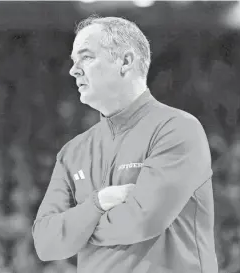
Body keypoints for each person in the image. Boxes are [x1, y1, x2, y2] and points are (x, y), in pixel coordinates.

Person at [32, 15, 218, 273]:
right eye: (73, 61)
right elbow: (45, 243)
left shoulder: (177, 129)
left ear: (125, 61)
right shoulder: (72, 152)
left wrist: (77, 231)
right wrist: (97, 203)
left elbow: (142, 221)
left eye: (86, 57)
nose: (73, 70)